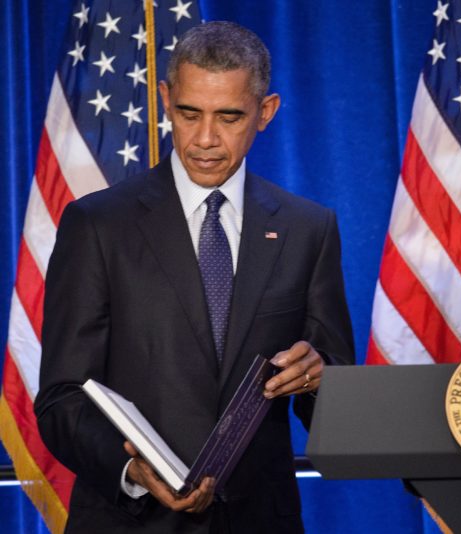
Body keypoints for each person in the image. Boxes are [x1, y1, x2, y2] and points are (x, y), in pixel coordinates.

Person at [34, 21, 354, 533]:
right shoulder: (97, 225)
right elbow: (62, 397)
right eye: (189, 114)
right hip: (131, 522)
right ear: (165, 99)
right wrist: (131, 471)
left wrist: (320, 381)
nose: (205, 139)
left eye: (229, 117)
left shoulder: (307, 229)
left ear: (265, 112)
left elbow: (336, 405)